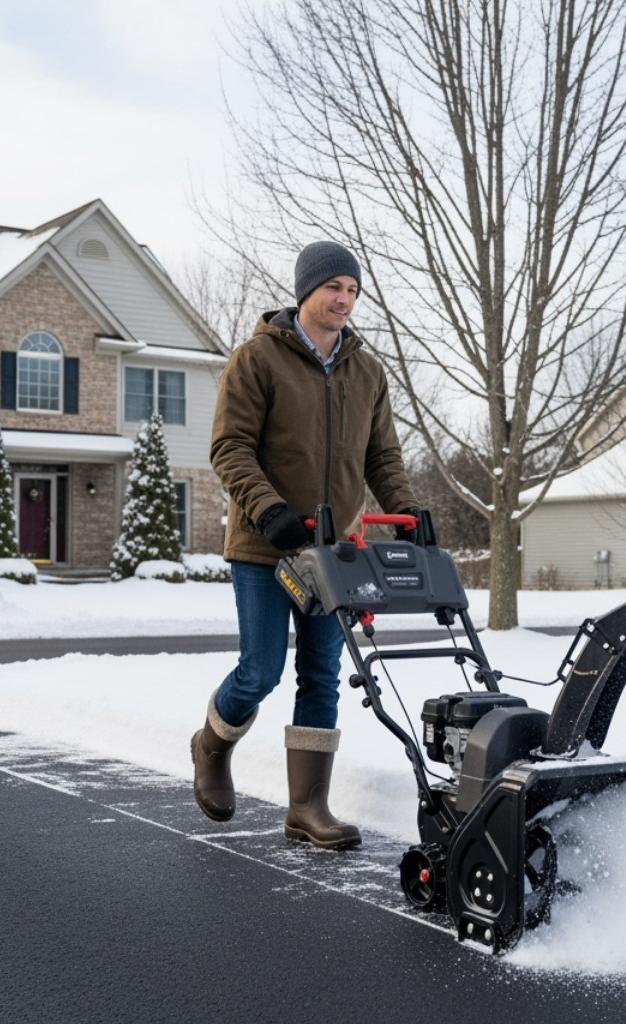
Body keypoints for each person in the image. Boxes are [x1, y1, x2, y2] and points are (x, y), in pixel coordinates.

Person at [193, 241, 418, 850]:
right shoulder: (256, 359)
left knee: (321, 674)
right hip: (265, 544)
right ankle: (211, 746)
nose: (344, 300)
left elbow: (382, 457)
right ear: (306, 292)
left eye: (353, 290)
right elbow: (230, 447)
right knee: (261, 670)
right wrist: (269, 511)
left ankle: (307, 807)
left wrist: (407, 511)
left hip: (332, 553)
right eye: (333, 288)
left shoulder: (367, 372)